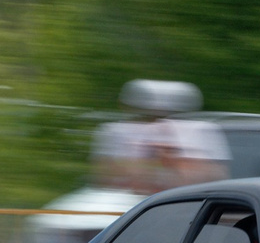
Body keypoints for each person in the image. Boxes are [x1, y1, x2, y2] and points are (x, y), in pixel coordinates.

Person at [93, 80, 229, 196]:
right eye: (151, 117)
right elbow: (108, 177)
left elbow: (210, 180)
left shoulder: (200, 132)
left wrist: (172, 161)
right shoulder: (119, 133)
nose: (159, 123)